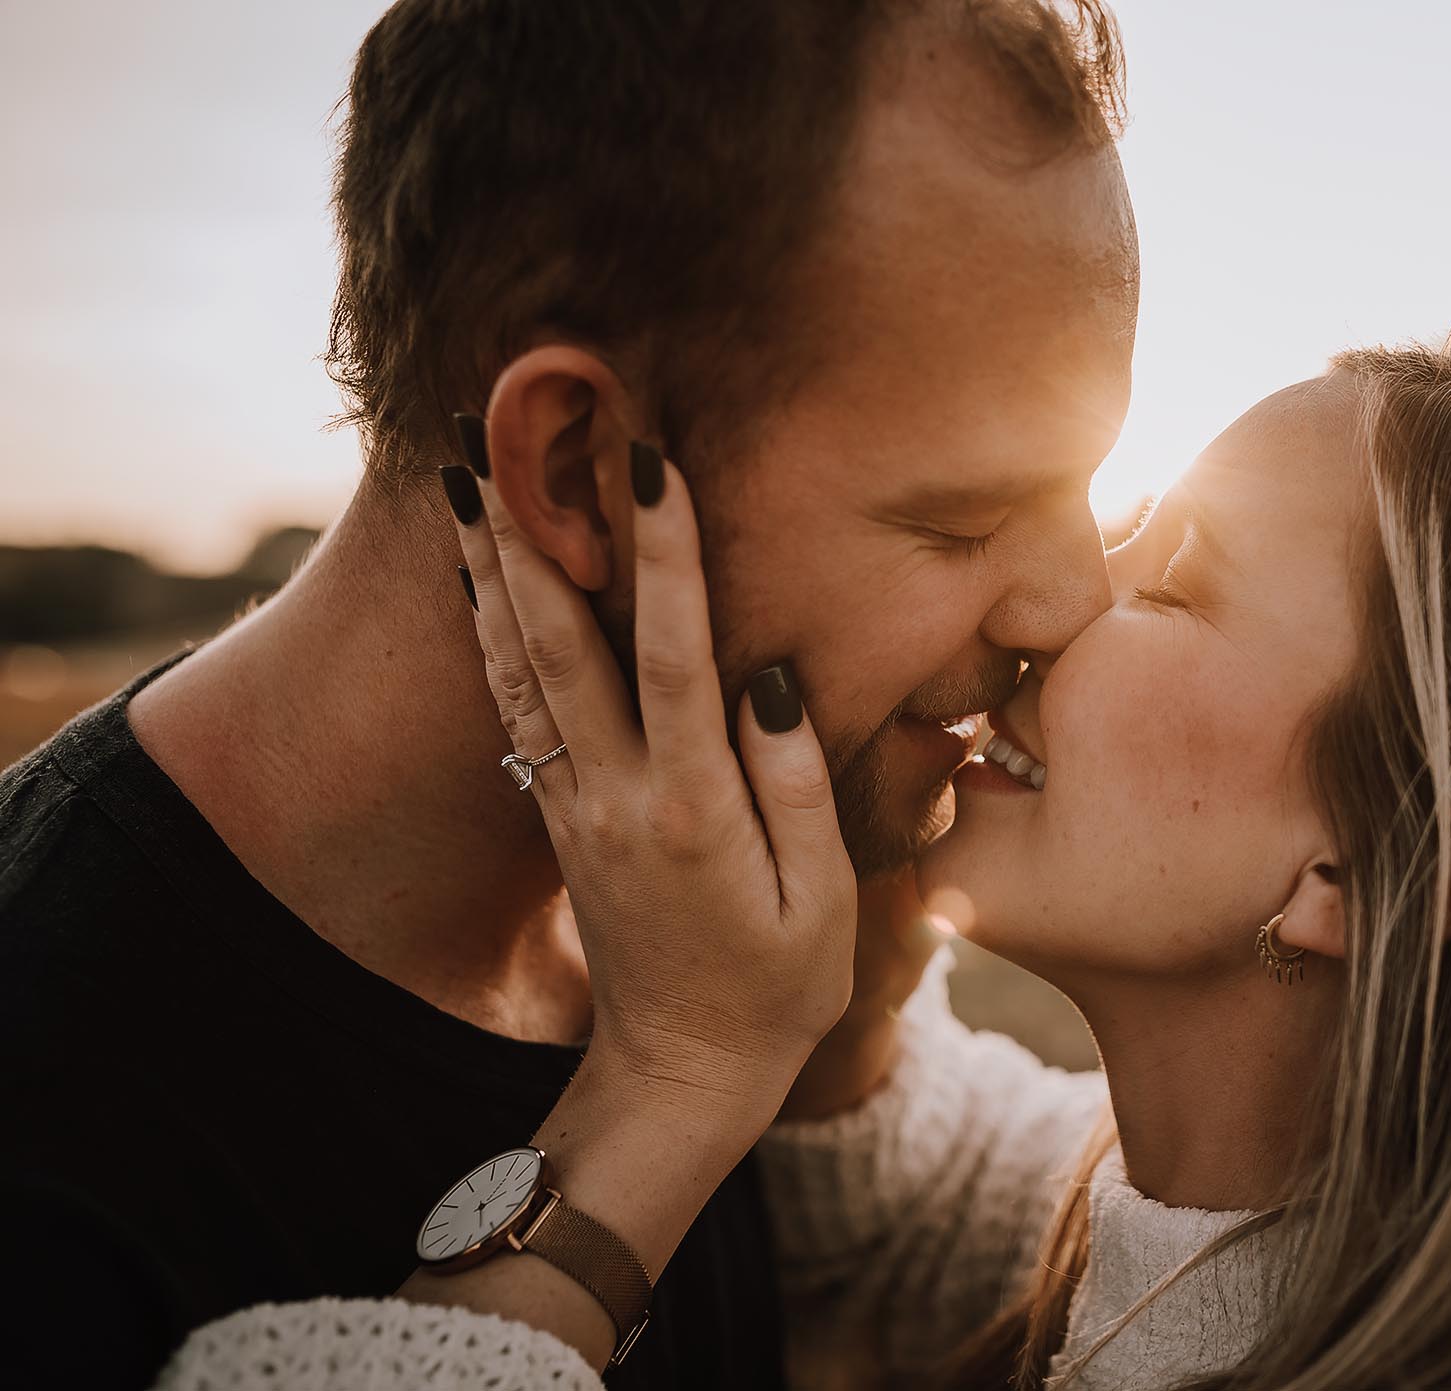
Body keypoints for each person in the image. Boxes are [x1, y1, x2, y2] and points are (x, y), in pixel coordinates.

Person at [157, 328, 1451, 1390]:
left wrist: (669, 1084)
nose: (1056, 601)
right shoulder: (1209, 1224)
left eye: (1173, 582)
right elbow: (874, 1184)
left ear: (1384, 865)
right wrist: (849, 781)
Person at [0, 1, 1133, 1385]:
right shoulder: (51, 1133)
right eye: (965, 516)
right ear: (578, 463)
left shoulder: (711, 904)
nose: (1075, 600)